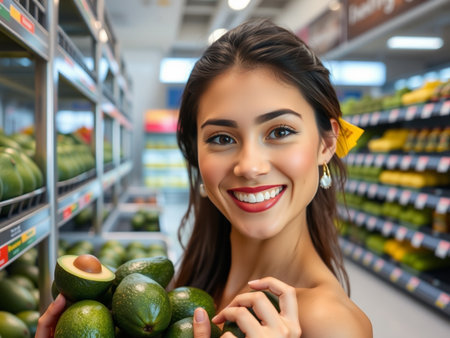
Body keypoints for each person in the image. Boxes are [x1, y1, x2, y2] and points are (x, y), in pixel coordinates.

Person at [37, 19, 372, 337]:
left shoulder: (329, 324)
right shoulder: (192, 284)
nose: (250, 166)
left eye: (280, 131)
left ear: (326, 144)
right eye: (222, 138)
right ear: (196, 155)